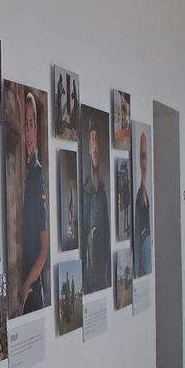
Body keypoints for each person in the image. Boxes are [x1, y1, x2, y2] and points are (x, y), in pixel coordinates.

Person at [15, 92, 50, 313]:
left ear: (36, 129)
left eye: (31, 123)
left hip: (32, 292)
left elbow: (44, 249)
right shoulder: (21, 172)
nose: (28, 130)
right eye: (25, 123)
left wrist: (27, 285)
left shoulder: (37, 176)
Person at [80, 121, 111, 291]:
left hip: (102, 266)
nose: (95, 145)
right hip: (90, 267)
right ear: (88, 147)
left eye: (97, 139)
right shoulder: (85, 190)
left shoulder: (103, 191)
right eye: (92, 139)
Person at [133, 130, 153, 274]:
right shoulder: (139, 194)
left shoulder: (146, 191)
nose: (144, 161)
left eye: (145, 156)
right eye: (142, 156)